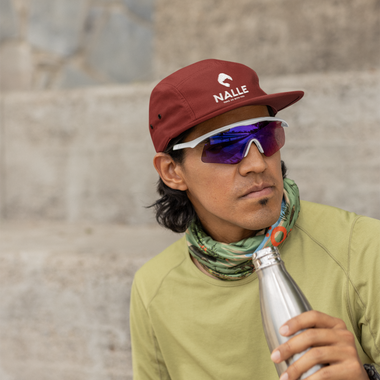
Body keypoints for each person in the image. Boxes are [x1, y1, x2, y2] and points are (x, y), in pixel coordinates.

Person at [130, 59, 380, 380]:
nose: (257, 163)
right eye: (224, 145)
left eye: (267, 135)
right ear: (172, 171)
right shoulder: (153, 288)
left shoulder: (362, 247)